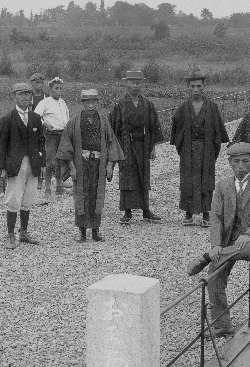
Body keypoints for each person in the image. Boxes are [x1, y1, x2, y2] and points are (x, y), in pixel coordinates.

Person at [187, 142, 250, 337]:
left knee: (242, 250)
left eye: (245, 161)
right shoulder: (222, 186)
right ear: (229, 162)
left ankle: (205, 258)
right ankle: (222, 325)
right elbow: (216, 218)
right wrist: (217, 245)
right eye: (236, 162)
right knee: (214, 278)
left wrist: (249, 235)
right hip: (227, 243)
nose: (241, 166)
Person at [56, 89, 124, 242]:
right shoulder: (74, 122)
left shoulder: (104, 121)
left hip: (98, 164)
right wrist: (72, 167)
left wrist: (110, 165)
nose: (91, 105)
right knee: (81, 196)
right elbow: (66, 145)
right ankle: (82, 232)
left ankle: (95, 231)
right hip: (81, 163)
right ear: (83, 103)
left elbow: (111, 142)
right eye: (87, 102)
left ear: (97, 103)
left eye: (93, 102)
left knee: (96, 196)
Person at [171, 68, 228, 227]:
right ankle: (188, 214)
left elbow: (218, 129)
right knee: (188, 179)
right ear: (188, 87)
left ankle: (206, 214)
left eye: (199, 86)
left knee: (206, 180)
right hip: (188, 149)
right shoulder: (183, 107)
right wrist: (181, 146)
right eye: (192, 86)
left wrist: (213, 147)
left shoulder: (212, 106)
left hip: (206, 148)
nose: (196, 90)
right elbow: (176, 128)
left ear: (204, 86)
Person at [110, 69, 164, 224]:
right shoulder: (119, 105)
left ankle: (146, 211)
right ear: (126, 83)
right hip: (126, 146)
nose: (135, 85)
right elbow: (112, 129)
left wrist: (152, 147)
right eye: (132, 82)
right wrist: (116, 149)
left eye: (138, 82)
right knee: (127, 176)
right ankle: (127, 212)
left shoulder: (147, 104)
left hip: (143, 145)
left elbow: (154, 127)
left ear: (142, 84)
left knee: (143, 176)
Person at [0, 82, 46, 249]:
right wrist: (3, 167)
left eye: (27, 94)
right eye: (21, 94)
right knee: (14, 199)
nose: (25, 97)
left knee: (28, 198)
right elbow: (1, 144)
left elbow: (41, 142)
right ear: (14, 96)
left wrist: (42, 163)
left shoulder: (35, 118)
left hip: (33, 163)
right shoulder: (7, 119)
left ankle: (23, 233)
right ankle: (10, 235)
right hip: (16, 165)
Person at [33, 77, 71, 201]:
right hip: (52, 135)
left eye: (60, 88)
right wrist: (44, 124)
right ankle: (47, 189)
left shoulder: (62, 102)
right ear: (50, 89)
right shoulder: (45, 102)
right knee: (50, 162)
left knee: (60, 160)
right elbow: (35, 116)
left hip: (63, 134)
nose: (58, 91)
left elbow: (67, 118)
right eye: (56, 88)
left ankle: (59, 187)